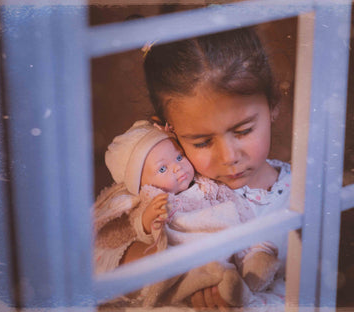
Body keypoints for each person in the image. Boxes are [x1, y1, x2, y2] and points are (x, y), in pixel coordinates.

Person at [142, 26, 292, 309]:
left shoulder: (302, 193)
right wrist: (189, 281)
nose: (229, 156)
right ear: (170, 132)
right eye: (202, 142)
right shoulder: (175, 194)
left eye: (243, 131)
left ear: (273, 104)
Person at [94, 120, 280, 308]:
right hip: (191, 250)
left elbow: (230, 200)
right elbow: (141, 230)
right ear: (142, 184)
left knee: (248, 244)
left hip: (224, 235)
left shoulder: (205, 182)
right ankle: (229, 287)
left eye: (179, 157)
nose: (177, 167)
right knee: (194, 275)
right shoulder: (153, 199)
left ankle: (253, 267)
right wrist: (148, 220)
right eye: (162, 169)